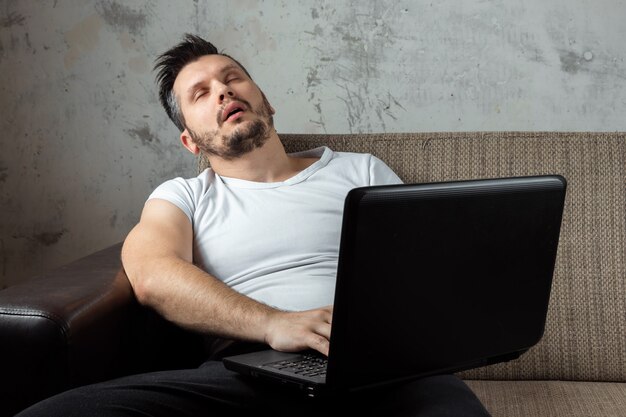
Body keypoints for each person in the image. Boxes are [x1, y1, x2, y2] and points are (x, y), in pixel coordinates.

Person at [16, 34, 491, 417]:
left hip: (378, 369)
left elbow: (418, 268)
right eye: (201, 93)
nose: (223, 91)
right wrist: (273, 324)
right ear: (189, 140)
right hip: (246, 370)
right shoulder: (182, 196)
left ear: (265, 100)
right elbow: (151, 273)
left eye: (233, 79)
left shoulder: (360, 170)